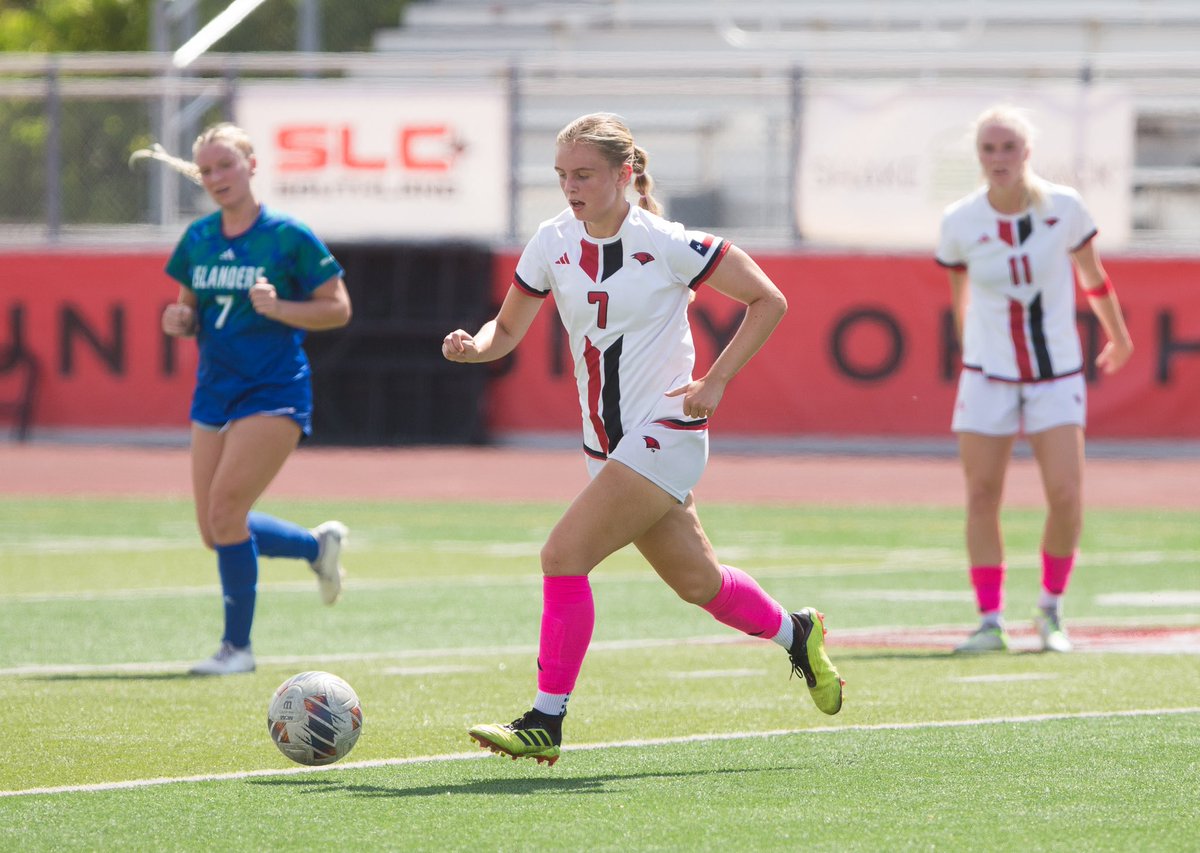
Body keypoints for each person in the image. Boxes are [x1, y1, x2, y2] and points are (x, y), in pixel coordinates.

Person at [442, 112, 844, 766]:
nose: (571, 187)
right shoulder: (551, 241)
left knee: (562, 554)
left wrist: (715, 380)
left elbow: (768, 299)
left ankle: (546, 718)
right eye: (562, 175)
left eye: (584, 174)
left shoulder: (665, 240)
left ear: (623, 174)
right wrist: (475, 346)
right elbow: (507, 329)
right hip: (607, 448)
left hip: (667, 431)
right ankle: (796, 632)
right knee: (699, 582)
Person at [151, 123, 353, 675]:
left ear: (251, 165)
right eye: (207, 169)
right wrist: (179, 320)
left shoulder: (288, 235)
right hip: (214, 391)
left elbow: (337, 308)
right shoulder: (198, 239)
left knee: (225, 512)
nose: (216, 177)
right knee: (215, 530)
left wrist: (281, 307)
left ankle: (236, 649)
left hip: (274, 389)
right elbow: (188, 309)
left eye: (226, 165)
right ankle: (316, 549)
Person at [935, 106, 1133, 654]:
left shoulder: (1064, 208)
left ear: (1028, 152)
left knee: (1067, 494)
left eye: (1009, 147)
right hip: (987, 374)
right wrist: (970, 351)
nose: (999, 158)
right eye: (989, 149)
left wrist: (1118, 336)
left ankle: (1050, 609)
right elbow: (960, 298)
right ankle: (989, 619)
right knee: (981, 493)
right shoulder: (960, 220)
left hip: (1056, 373)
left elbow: (1094, 277)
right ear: (979, 157)